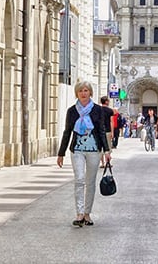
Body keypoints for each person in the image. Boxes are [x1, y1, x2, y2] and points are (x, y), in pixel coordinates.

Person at [57, 80, 111, 226]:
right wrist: (61, 153)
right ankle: (79, 213)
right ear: (77, 93)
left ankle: (87, 213)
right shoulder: (72, 111)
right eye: (80, 91)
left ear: (90, 93)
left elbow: (101, 130)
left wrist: (106, 150)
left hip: (94, 150)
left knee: (90, 182)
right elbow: (67, 132)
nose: (83, 93)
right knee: (79, 179)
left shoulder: (97, 110)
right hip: (77, 150)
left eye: (86, 90)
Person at [99, 96, 114, 163]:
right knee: (108, 146)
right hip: (107, 130)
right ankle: (107, 162)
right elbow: (111, 121)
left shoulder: (98, 109)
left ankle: (102, 163)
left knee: (100, 147)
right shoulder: (110, 111)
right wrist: (112, 132)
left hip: (99, 131)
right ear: (106, 102)